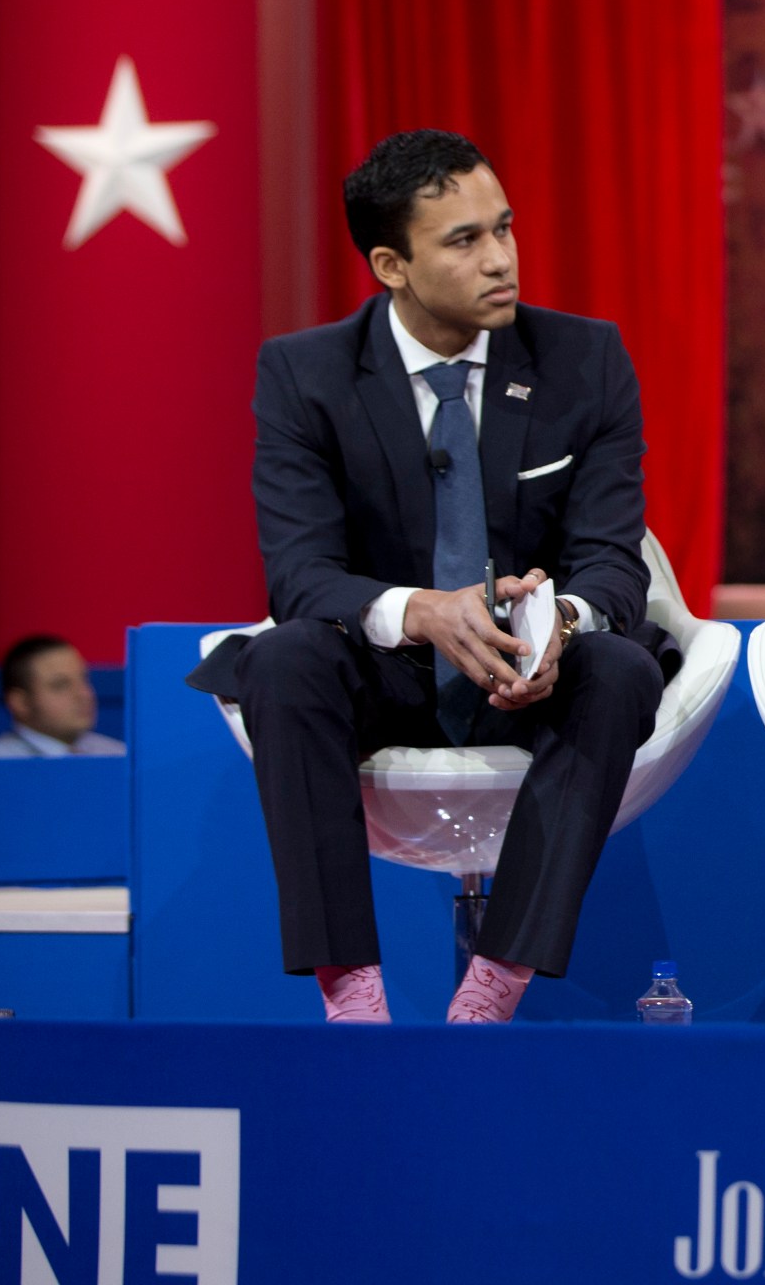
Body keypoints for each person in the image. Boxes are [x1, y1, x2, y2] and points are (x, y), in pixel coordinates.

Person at [186, 129, 667, 1024]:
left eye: (505, 229)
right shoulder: (305, 375)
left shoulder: (583, 360)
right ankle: (352, 997)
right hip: (386, 674)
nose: (501, 259)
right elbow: (299, 573)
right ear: (389, 264)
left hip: (536, 673)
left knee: (625, 670)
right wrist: (421, 614)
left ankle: (497, 980)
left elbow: (610, 555)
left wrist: (557, 621)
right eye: (464, 241)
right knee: (284, 661)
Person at [0, 635, 124, 757]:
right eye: (60, 685)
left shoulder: (120, 756)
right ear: (20, 702)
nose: (83, 694)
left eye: (84, 679)